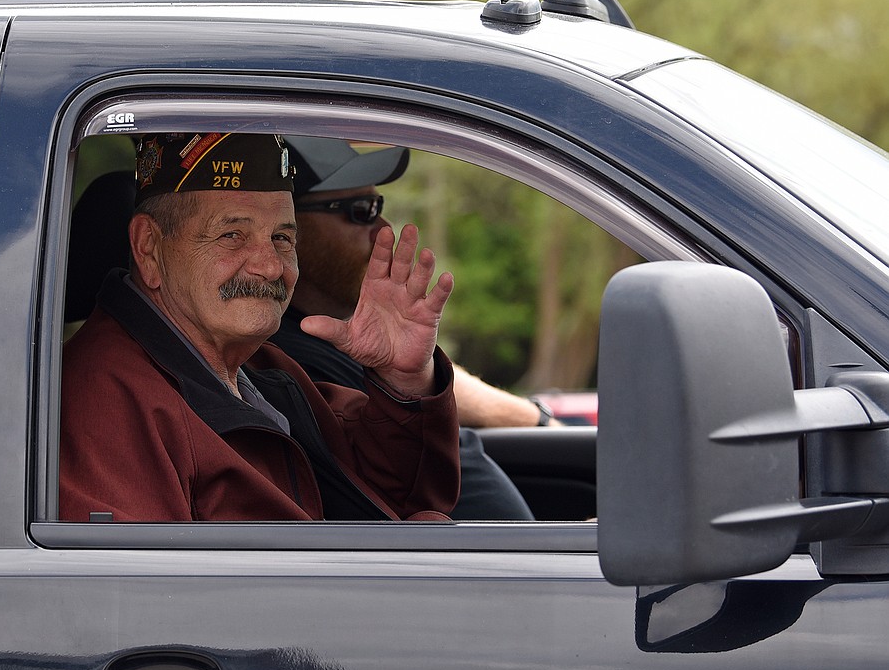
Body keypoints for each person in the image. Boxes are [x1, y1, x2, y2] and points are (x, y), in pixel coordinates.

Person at [60, 132, 461, 523]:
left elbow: (393, 497)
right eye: (232, 235)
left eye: (282, 237)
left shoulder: (262, 368)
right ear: (149, 247)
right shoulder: (107, 402)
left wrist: (404, 381)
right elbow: (141, 586)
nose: (271, 266)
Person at [274, 136, 556, 520]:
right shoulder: (282, 362)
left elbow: (436, 382)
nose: (384, 228)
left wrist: (535, 418)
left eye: (379, 206)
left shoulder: (351, 343)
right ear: (286, 228)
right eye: (361, 211)